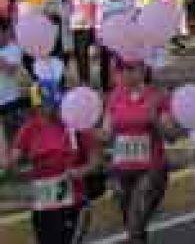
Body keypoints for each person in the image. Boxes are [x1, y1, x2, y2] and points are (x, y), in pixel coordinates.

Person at [3, 80, 102, 244]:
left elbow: (96, 160)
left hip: (73, 202)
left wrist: (80, 171)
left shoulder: (74, 123)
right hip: (43, 205)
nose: (49, 109)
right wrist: (9, 165)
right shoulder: (29, 129)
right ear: (35, 107)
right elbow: (12, 160)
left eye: (53, 103)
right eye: (42, 106)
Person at [102, 57, 178, 244]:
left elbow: (172, 135)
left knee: (135, 226)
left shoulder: (157, 96)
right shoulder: (114, 97)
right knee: (134, 228)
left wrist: (155, 121)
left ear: (143, 69)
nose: (126, 73)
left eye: (131, 68)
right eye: (122, 69)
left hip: (150, 169)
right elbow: (107, 135)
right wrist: (83, 128)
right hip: (121, 171)